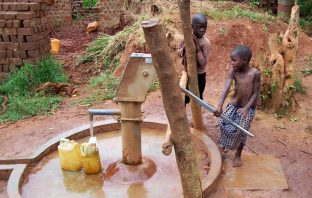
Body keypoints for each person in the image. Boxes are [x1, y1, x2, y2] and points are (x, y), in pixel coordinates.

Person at [213, 45, 261, 167]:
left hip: (247, 107)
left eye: (234, 60)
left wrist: (246, 108)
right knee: (224, 123)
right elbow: (226, 87)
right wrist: (219, 105)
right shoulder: (233, 71)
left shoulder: (254, 74)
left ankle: (238, 154)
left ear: (244, 60)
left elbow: (256, 93)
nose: (231, 63)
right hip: (234, 103)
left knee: (241, 131)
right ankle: (224, 145)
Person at [178, 13, 210, 104]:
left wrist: (197, 48)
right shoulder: (186, 38)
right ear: (192, 26)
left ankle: (197, 118)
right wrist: (184, 48)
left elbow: (203, 63)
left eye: (204, 27)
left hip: (199, 76)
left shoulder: (205, 43)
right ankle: (182, 118)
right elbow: (179, 53)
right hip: (187, 74)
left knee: (197, 100)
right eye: (200, 27)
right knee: (183, 99)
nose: (202, 30)